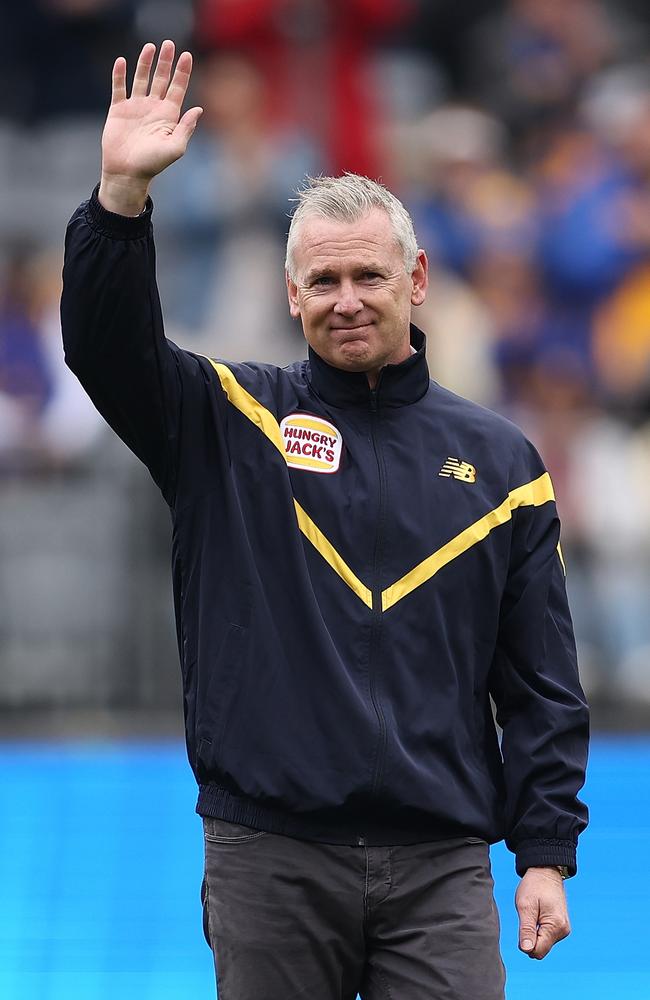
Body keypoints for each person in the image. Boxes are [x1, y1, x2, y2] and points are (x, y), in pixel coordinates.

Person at [61, 40, 589, 1000]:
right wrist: (119, 204)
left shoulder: (505, 465)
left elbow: (543, 682)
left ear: (417, 279)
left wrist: (545, 850)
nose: (347, 301)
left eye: (369, 277)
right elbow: (104, 347)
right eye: (324, 281)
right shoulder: (227, 421)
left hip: (441, 864)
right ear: (290, 293)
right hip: (271, 856)